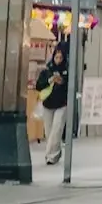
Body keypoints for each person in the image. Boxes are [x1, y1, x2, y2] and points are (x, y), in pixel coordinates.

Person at [36, 36, 71, 166]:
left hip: (61, 104)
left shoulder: (67, 70)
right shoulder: (47, 70)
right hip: (48, 104)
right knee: (49, 131)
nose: (58, 60)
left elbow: (70, 87)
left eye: (61, 58)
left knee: (57, 129)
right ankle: (56, 152)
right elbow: (39, 85)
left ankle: (50, 155)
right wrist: (51, 80)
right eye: (56, 57)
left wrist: (62, 82)